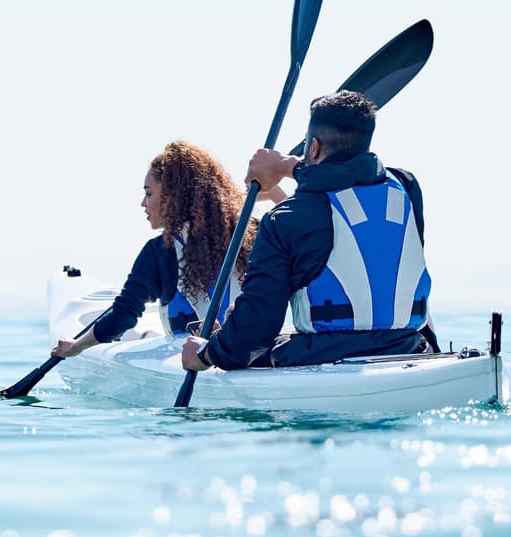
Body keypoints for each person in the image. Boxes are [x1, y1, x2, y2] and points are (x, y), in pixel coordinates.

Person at [181, 90, 434, 372]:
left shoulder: (287, 218)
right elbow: (355, 179)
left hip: (322, 358)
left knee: (238, 334)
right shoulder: (407, 189)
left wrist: (208, 353)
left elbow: (256, 328)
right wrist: (286, 167)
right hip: (408, 347)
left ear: (313, 147)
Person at [51, 141, 284, 359]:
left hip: (193, 361)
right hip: (256, 356)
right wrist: (274, 193)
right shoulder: (256, 231)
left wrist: (76, 346)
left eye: (149, 193)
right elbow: (302, 232)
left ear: (174, 198)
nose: (143, 203)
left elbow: (123, 315)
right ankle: (148, 336)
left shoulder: (160, 251)